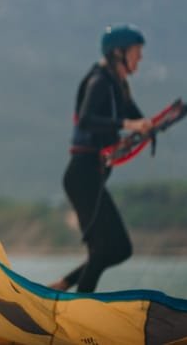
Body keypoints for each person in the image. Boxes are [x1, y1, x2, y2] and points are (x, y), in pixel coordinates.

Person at [48, 25, 153, 293]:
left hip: (92, 177)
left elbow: (138, 119)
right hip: (82, 176)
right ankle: (76, 313)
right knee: (107, 248)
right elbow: (86, 119)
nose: (140, 58)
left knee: (119, 249)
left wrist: (148, 128)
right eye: (136, 52)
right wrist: (130, 125)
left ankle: (64, 286)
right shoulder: (99, 82)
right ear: (118, 53)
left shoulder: (119, 86)